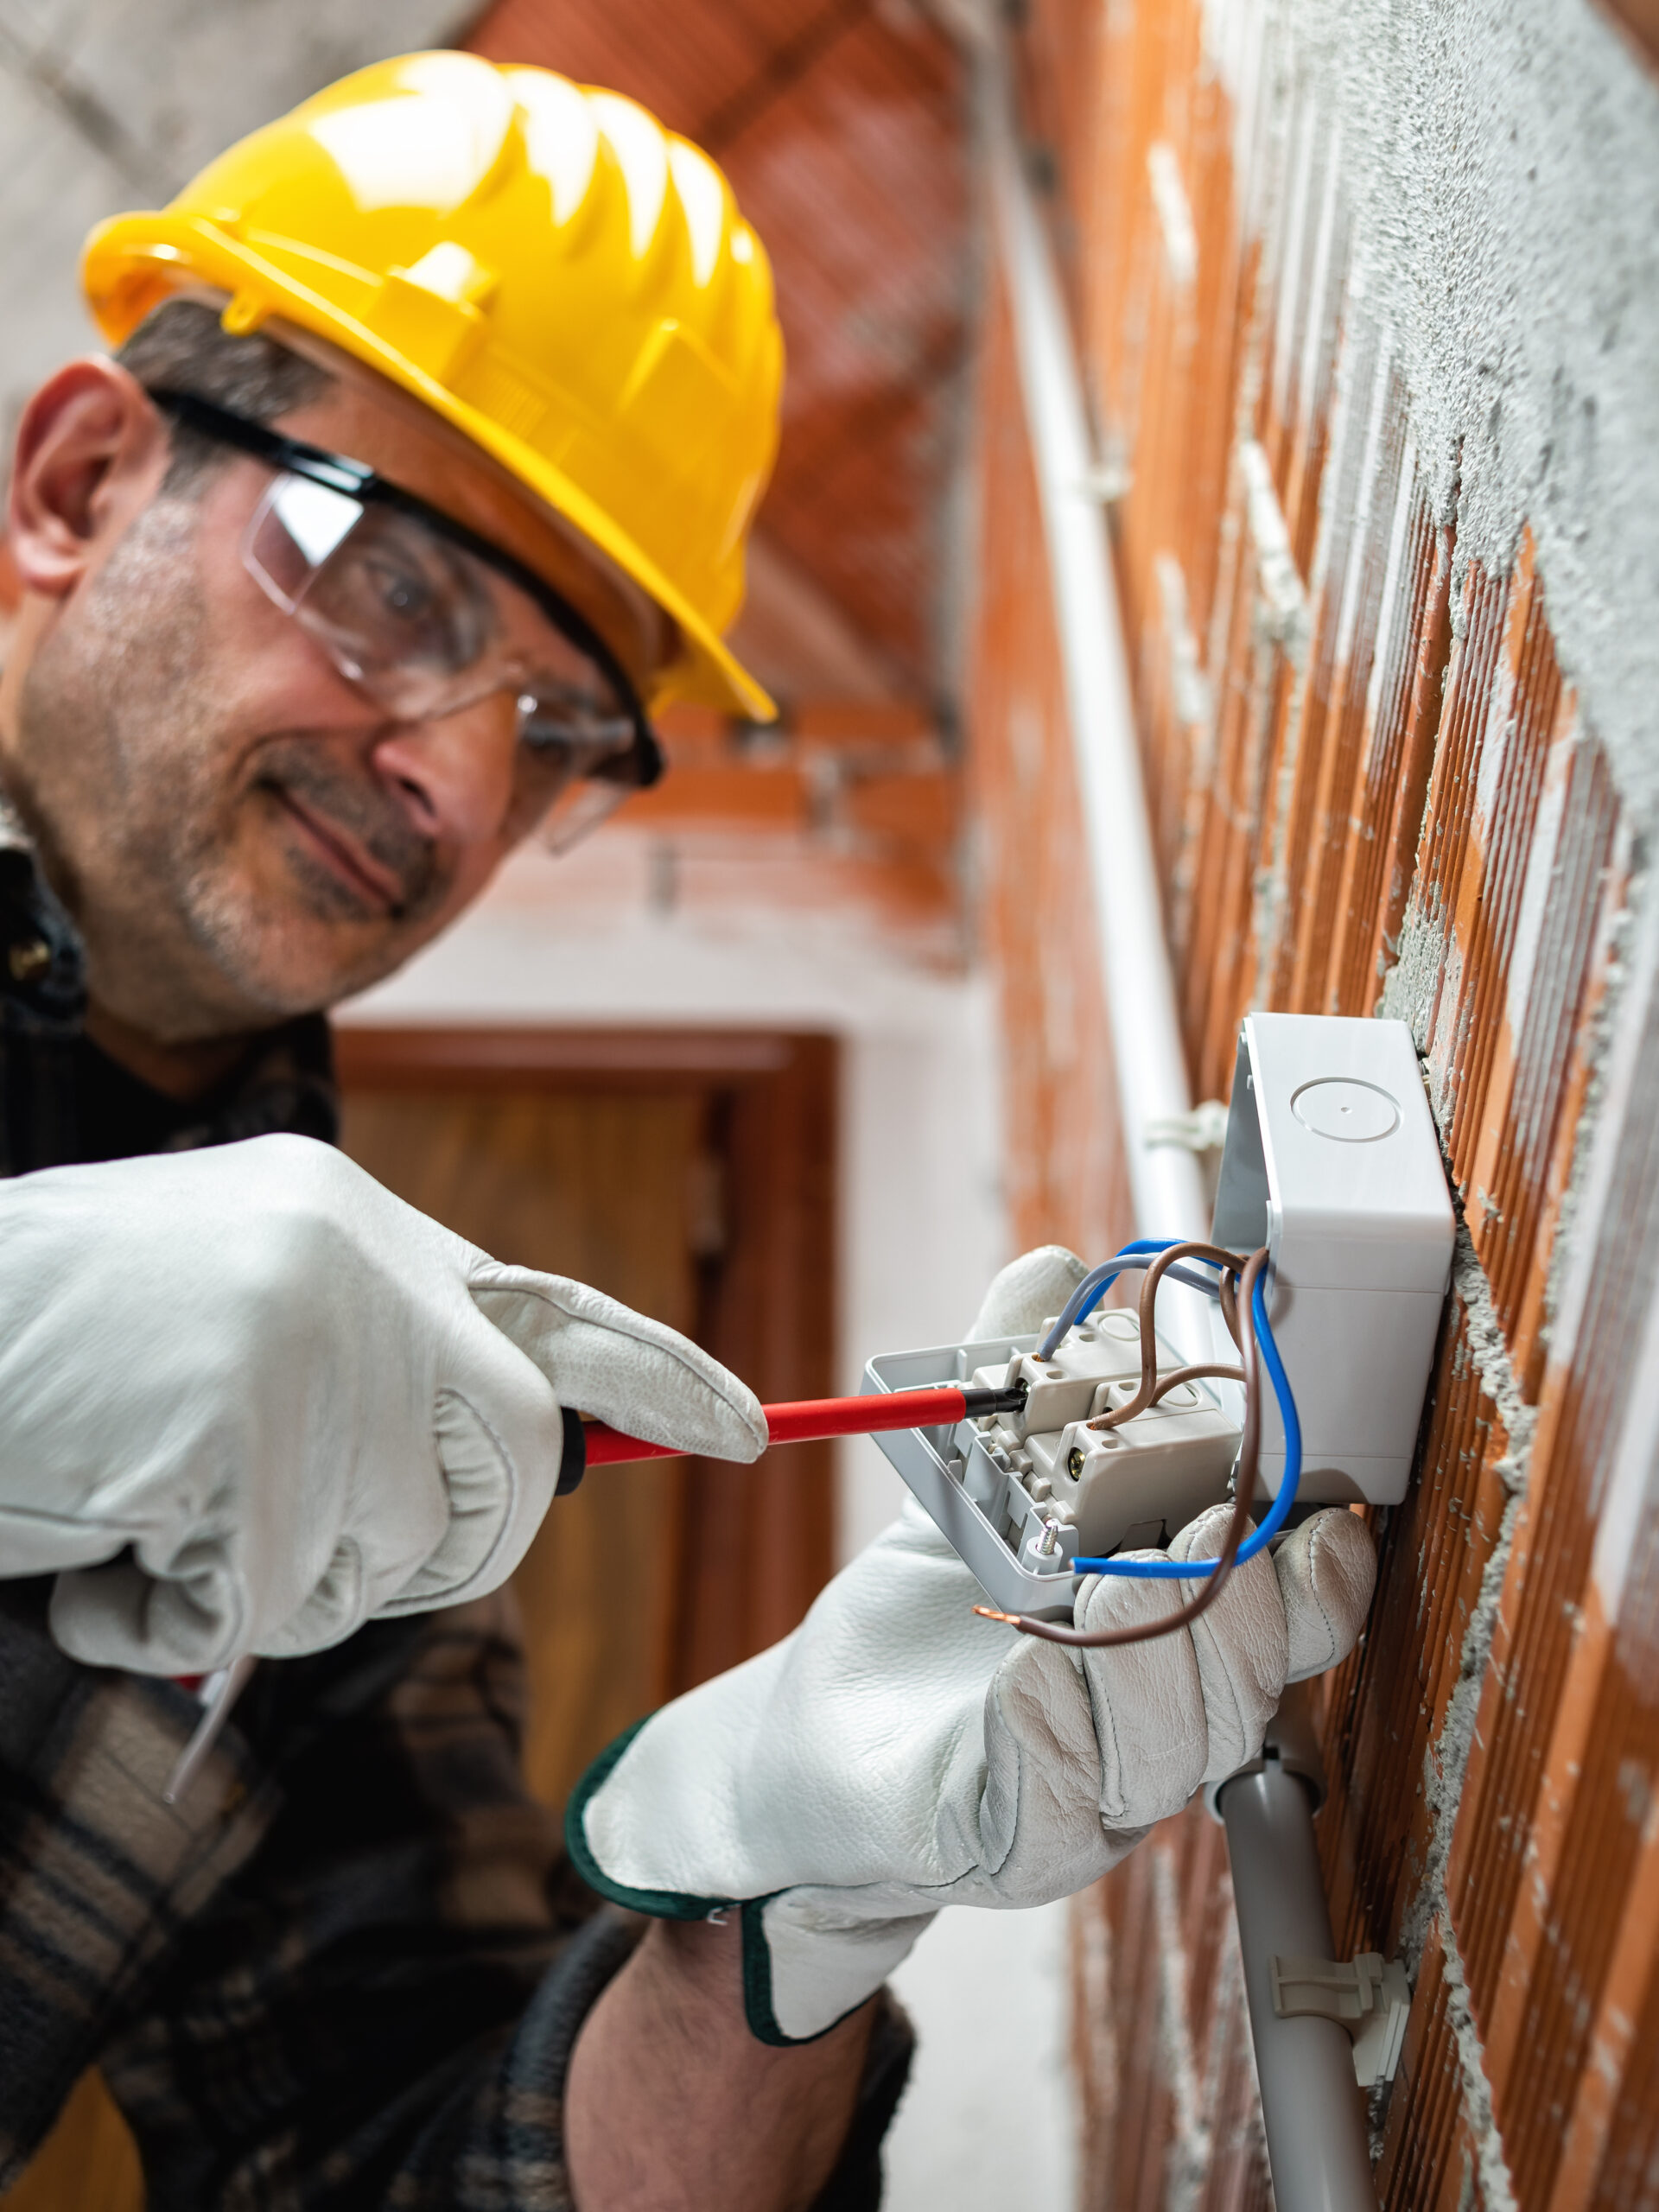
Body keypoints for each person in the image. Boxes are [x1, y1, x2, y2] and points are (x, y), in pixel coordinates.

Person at [0, 50, 1375, 2210]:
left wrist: (785, 1911)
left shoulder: (361, 1468)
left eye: (558, 722)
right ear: (81, 483)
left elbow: (410, 2170)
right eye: (396, 582)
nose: (453, 775)